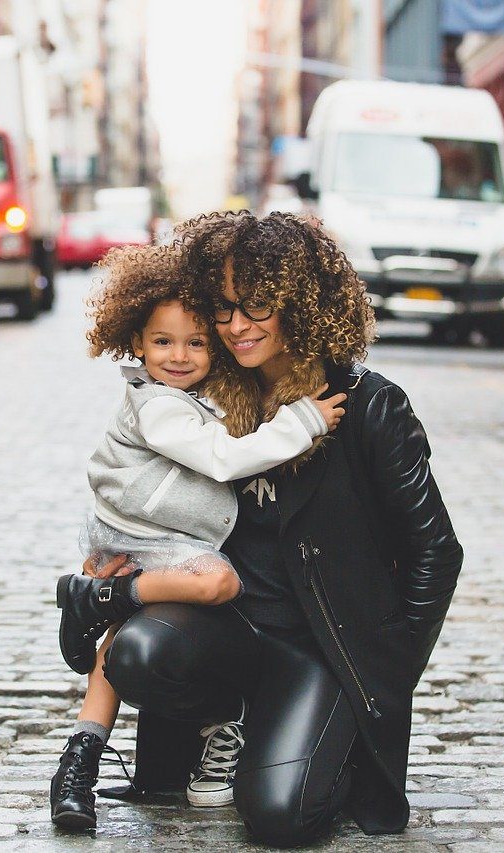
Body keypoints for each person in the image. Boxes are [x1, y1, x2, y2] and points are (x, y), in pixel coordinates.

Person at [98, 211, 464, 846]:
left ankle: (317, 736)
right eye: (225, 308)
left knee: (279, 817)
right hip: (229, 628)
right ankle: (231, 724)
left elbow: (437, 550)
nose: (237, 327)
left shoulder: (370, 406)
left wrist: (385, 671)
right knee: (138, 655)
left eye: (258, 306)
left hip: (319, 647)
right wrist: (114, 561)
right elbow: (138, 486)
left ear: (301, 303)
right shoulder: (207, 396)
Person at [50, 243, 347, 831]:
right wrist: (304, 422)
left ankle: (78, 757)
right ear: (136, 342)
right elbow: (222, 458)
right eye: (163, 342)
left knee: (120, 633)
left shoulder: (198, 395)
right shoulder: (157, 406)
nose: (180, 356)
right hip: (148, 534)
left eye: (196, 342)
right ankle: (116, 602)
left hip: (144, 532)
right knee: (218, 581)